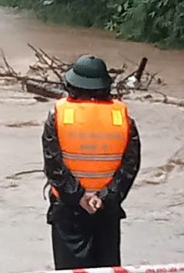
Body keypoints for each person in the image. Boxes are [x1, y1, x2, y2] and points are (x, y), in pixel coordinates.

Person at [42, 55, 141, 270]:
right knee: (107, 268)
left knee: (71, 270)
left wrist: (79, 196)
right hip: (106, 210)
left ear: (72, 85)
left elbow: (53, 165)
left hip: (69, 210)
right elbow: (130, 166)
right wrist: (105, 197)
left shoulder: (57, 116)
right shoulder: (122, 118)